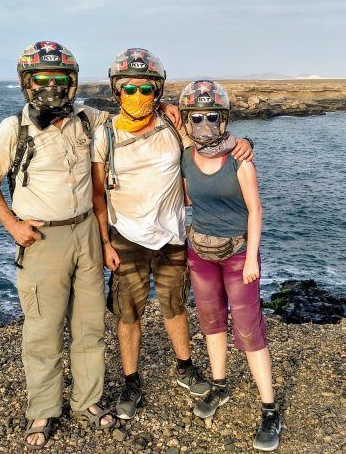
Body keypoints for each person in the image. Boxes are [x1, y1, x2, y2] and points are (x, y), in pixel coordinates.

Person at [0, 42, 144, 448]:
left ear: (72, 83)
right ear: (26, 84)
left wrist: (171, 110)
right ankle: (43, 410)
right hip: (42, 239)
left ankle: (87, 399)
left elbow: (131, 122)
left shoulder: (88, 120)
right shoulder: (12, 129)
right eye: (42, 80)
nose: (52, 87)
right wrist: (13, 226)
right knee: (43, 330)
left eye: (60, 80)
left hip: (86, 231)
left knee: (89, 326)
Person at [90, 48, 253, 420]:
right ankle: (131, 381)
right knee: (128, 314)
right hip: (126, 237)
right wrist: (103, 243)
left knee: (175, 305)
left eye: (146, 90)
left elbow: (209, 141)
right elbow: (98, 195)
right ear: (117, 91)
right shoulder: (106, 136)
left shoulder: (172, 126)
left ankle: (185, 367)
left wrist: (243, 143)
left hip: (172, 236)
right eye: (129, 89)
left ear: (158, 92)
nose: (137, 97)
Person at [178, 80, 281, 451]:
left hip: (238, 255)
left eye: (212, 116)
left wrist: (252, 257)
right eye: (197, 117)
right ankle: (219, 386)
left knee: (250, 329)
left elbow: (255, 209)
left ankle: (270, 407)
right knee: (211, 323)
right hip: (200, 252)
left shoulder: (240, 159)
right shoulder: (186, 157)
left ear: (223, 119)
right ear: (187, 120)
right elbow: (190, 198)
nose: (204, 124)